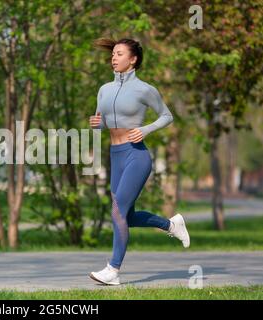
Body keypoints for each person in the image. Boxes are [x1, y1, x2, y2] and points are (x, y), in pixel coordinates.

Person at [88, 38, 190, 286]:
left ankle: (113, 269)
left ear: (133, 59)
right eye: (113, 53)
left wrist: (145, 130)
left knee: (117, 211)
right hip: (116, 155)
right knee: (126, 215)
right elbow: (106, 121)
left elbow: (167, 116)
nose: (113, 57)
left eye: (119, 54)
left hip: (136, 154)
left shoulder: (145, 89)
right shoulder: (104, 89)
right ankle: (171, 224)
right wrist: (98, 124)